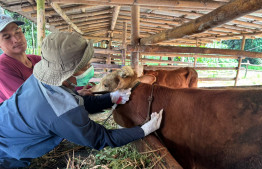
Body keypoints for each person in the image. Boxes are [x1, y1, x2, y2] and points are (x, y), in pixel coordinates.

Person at [0, 32, 163, 168]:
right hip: (7, 155)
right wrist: (143, 130)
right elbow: (101, 138)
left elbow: (74, 102)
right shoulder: (62, 111)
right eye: (85, 66)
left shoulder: (40, 77)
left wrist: (111, 99)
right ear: (73, 72)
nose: (88, 68)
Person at [0, 14, 41, 103]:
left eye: (17, 32)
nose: (16, 39)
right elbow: (28, 101)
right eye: (7, 37)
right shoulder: (2, 67)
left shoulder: (37, 60)